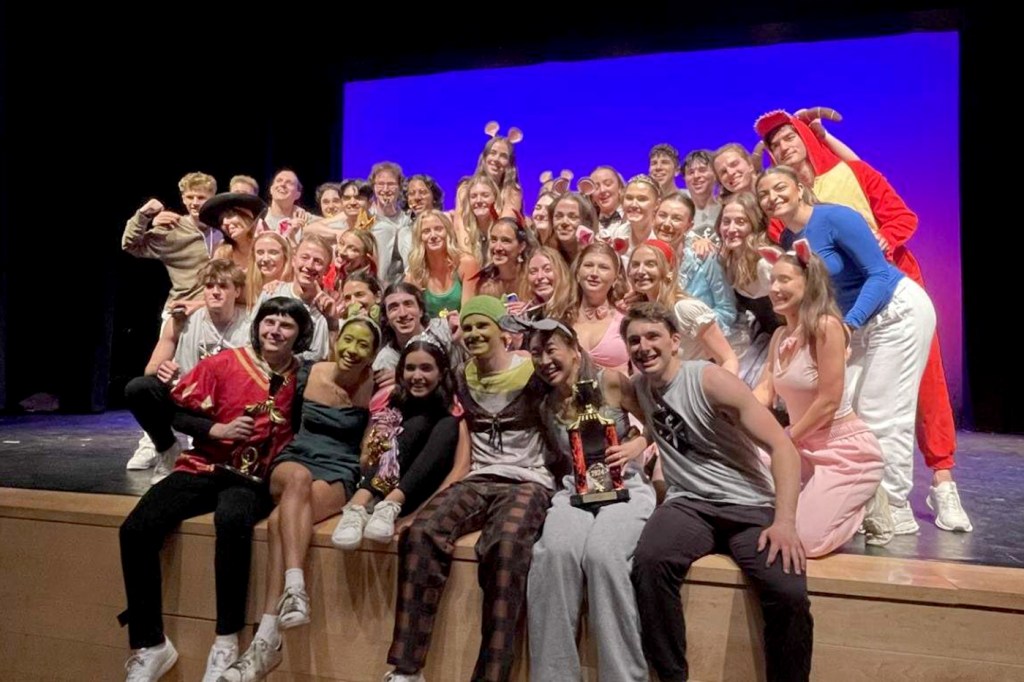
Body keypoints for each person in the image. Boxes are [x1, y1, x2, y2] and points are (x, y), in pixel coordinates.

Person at [755, 110, 972, 533]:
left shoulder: (835, 215)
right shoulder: (786, 238)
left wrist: (847, 327)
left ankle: (893, 510)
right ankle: (855, 495)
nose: (772, 197)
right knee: (844, 404)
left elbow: (879, 274)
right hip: (855, 318)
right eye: (765, 192)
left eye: (780, 188)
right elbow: (812, 291)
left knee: (882, 409)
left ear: (802, 188)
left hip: (895, 309)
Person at [118, 298, 311, 682]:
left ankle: (226, 642)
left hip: (256, 479)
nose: (274, 330)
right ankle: (151, 644)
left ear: (300, 335)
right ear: (257, 326)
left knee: (232, 520)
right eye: (268, 321)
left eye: (285, 326)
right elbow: (173, 408)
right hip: (205, 464)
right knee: (136, 529)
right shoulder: (226, 362)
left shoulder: (303, 378)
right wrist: (213, 430)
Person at [624, 302, 813, 682]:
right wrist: (640, 438)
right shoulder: (640, 388)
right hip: (689, 504)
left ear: (676, 341)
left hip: (747, 502)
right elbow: (663, 422)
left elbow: (783, 448)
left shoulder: (710, 380)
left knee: (788, 592)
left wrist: (786, 521)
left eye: (653, 336)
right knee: (649, 562)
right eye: (633, 340)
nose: (643, 346)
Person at [382, 296, 554, 682]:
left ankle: (492, 675)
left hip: (529, 479)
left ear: (502, 331)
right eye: (470, 327)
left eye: (483, 326)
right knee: (422, 533)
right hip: (479, 476)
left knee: (506, 545)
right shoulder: (460, 377)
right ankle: (407, 670)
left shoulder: (532, 371)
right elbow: (456, 446)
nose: (475, 334)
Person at [219, 317, 380, 681]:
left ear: (373, 354)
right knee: (298, 481)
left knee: (281, 522)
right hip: (296, 460)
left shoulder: (377, 385)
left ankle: (265, 641)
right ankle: (295, 586)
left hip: (340, 468)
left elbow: (371, 446)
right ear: (337, 340)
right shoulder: (310, 373)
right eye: (348, 341)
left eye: (363, 345)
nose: (352, 351)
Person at [524, 319, 655, 682]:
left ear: (574, 350)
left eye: (551, 350)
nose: (544, 360)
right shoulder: (545, 403)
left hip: (626, 487)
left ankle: (623, 676)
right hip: (575, 490)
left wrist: (637, 444)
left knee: (603, 556)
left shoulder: (610, 381)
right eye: (536, 353)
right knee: (554, 554)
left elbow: (657, 420)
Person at [754, 242, 888, 552]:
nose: (774, 288)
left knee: (805, 542)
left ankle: (866, 504)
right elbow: (763, 392)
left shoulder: (827, 327)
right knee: (744, 473)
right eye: (772, 280)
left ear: (808, 281)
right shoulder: (779, 337)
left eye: (784, 279)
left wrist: (784, 442)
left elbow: (829, 401)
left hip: (843, 451)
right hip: (802, 447)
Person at [331, 337, 464, 548]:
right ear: (401, 372)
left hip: (424, 495)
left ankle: (389, 505)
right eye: (410, 368)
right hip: (377, 488)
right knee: (413, 423)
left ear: (441, 374)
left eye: (426, 368)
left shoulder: (452, 409)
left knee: (445, 424)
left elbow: (458, 469)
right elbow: (366, 459)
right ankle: (357, 506)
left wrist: (416, 514)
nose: (417, 376)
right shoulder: (391, 401)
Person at [125, 260, 252, 479]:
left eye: (223, 286)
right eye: (210, 286)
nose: (215, 292)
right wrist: (164, 372)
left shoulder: (249, 324)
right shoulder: (182, 321)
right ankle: (167, 451)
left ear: (237, 291)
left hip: (229, 406)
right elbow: (151, 369)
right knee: (139, 388)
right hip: (192, 401)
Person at [121, 171, 220, 311]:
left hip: (216, 309)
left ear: (212, 198)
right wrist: (143, 215)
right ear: (183, 199)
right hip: (181, 309)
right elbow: (130, 245)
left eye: (201, 197)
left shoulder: (224, 228)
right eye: (190, 197)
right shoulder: (172, 228)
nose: (195, 203)